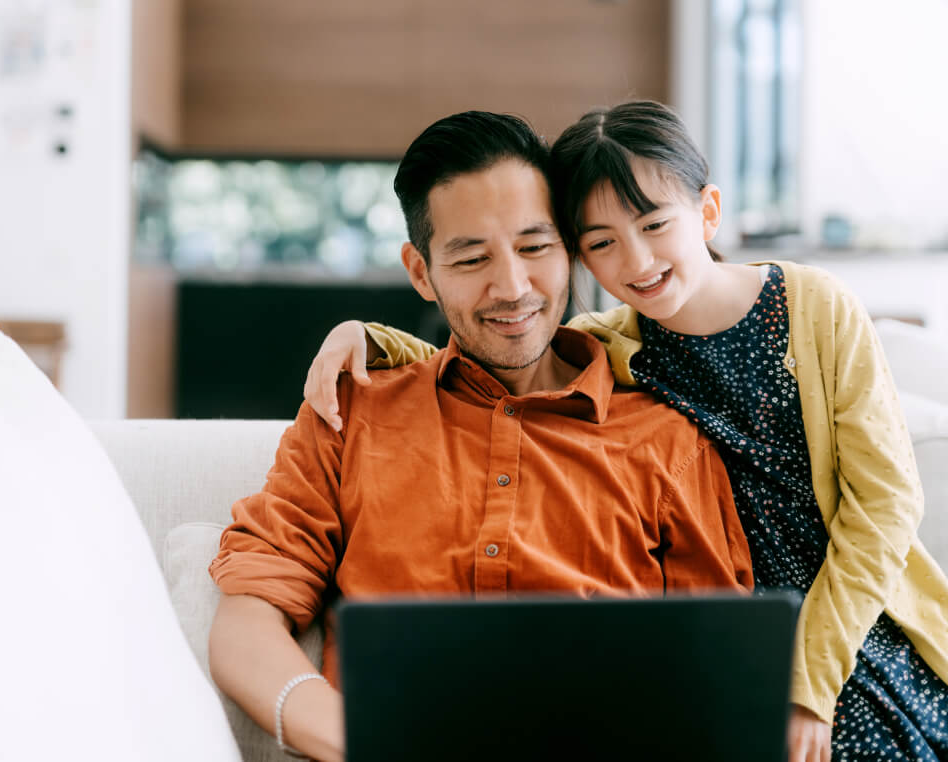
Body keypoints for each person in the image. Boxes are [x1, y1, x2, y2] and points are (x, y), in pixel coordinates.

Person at [302, 101, 948, 762]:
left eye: (654, 224)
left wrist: (808, 687)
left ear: (708, 210)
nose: (635, 260)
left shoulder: (813, 306)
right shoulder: (616, 345)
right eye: (600, 242)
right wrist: (366, 337)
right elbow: (496, 349)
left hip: (848, 622)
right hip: (736, 627)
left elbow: (887, 509)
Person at [208, 110, 754, 762]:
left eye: (534, 247)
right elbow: (247, 618)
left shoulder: (668, 439)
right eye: (471, 257)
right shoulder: (349, 416)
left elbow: (719, 665)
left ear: (571, 248)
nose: (513, 288)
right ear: (420, 272)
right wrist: (357, 737)